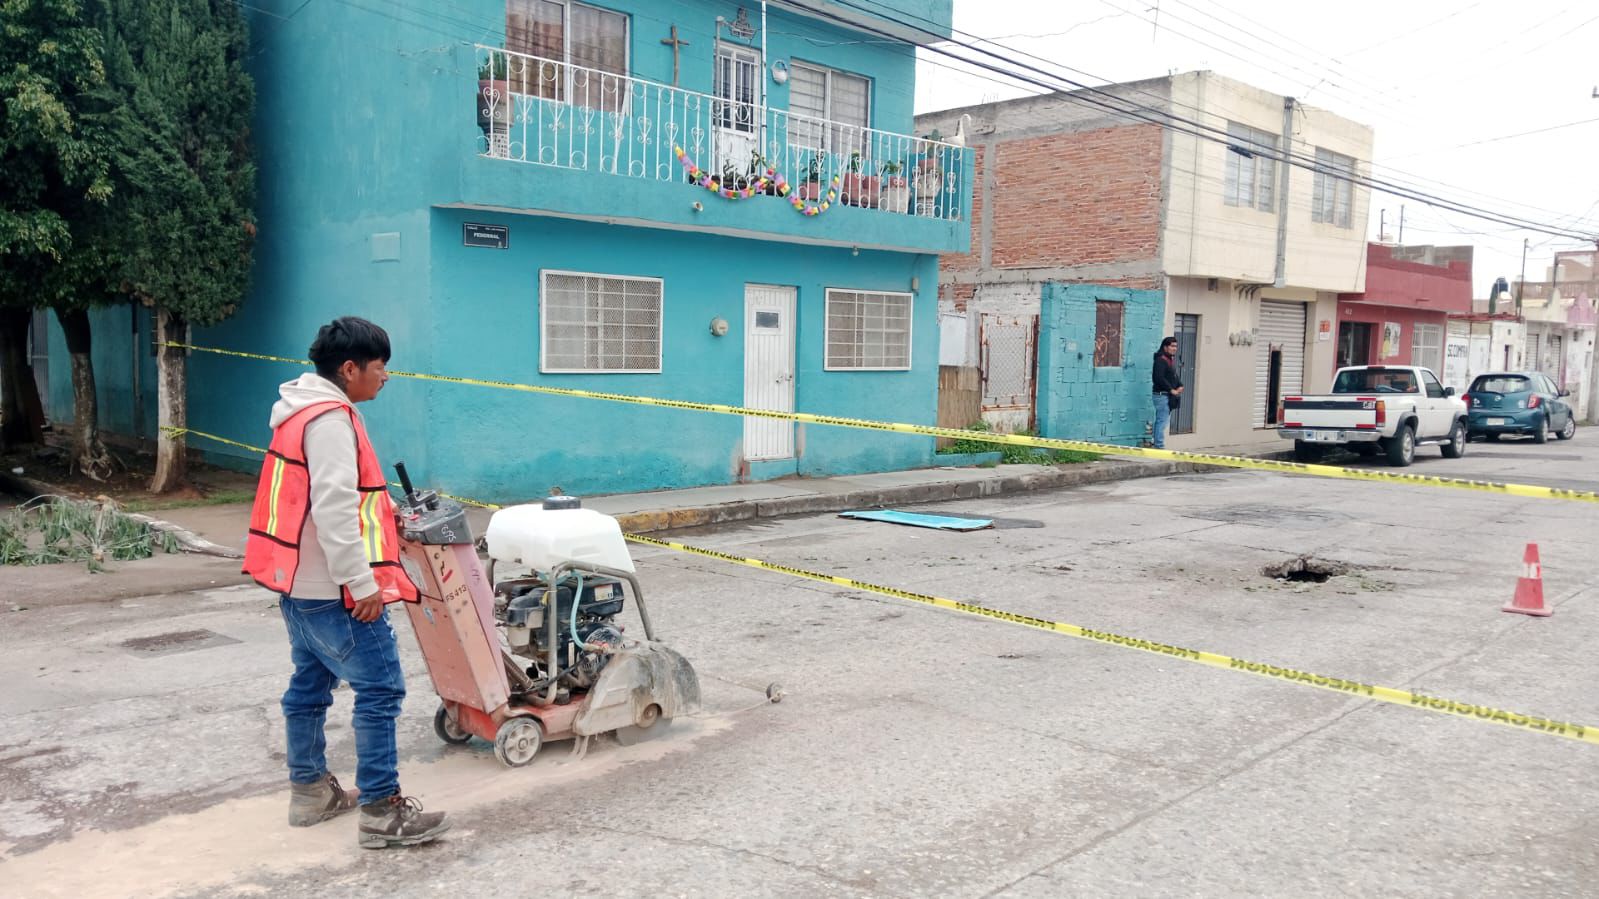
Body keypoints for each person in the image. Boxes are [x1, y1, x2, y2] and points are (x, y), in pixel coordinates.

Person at [241, 316, 450, 849]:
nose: (386, 377)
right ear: (350, 368)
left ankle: (310, 792)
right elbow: (334, 508)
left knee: (308, 689)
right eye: (380, 367)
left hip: (298, 586)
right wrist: (361, 584)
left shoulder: (297, 411)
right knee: (381, 689)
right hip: (335, 590)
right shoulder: (331, 420)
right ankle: (381, 811)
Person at [1151, 336, 1184, 449]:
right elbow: (1158, 378)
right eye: (1172, 346)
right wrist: (1171, 390)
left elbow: (1172, 376)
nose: (1175, 348)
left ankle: (1157, 444)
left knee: (1162, 421)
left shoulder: (1169, 360)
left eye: (1176, 346)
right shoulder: (1161, 360)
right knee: (1162, 421)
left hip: (1166, 396)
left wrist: (1180, 385)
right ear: (1165, 347)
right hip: (1162, 396)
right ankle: (1159, 446)